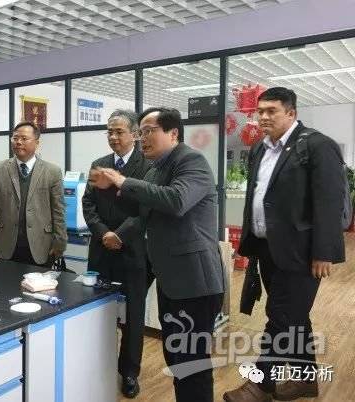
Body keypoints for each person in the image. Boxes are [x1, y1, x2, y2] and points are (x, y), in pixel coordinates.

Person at [89, 107, 225, 402]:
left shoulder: (192, 161)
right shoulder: (155, 169)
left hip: (195, 282)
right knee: (176, 359)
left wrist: (123, 182)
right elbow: (143, 213)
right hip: (171, 279)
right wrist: (110, 189)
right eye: (141, 132)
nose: (143, 138)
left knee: (192, 364)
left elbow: (176, 201)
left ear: (173, 133)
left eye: (149, 131)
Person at [223, 87, 346, 402]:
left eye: (272, 111)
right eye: (260, 111)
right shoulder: (259, 148)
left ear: (291, 113)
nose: (264, 117)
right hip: (267, 249)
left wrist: (323, 251)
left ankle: (261, 384)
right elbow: (258, 196)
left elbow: (329, 202)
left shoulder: (317, 146)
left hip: (302, 251)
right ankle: (307, 380)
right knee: (294, 315)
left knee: (280, 317)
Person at [82, 109, 153, 398]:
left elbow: (145, 210)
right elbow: (88, 204)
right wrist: (103, 234)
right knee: (99, 311)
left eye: (119, 131)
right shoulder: (98, 165)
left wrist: (119, 235)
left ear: (134, 134)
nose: (113, 137)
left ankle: (129, 372)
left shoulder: (147, 165)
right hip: (101, 251)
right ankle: (99, 363)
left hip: (133, 251)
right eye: (109, 132)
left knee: (133, 316)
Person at [0, 122, 67, 266]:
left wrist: (60, 242)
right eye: (15, 138)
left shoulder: (52, 171)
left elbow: (58, 211)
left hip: (42, 245)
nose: (18, 142)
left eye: (24, 138)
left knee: (39, 281)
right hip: (7, 244)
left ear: (37, 142)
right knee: (5, 280)